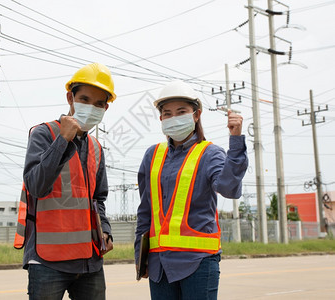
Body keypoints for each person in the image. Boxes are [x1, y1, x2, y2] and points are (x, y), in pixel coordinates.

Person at [134, 80, 248, 300]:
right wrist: (142, 257)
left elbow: (229, 189)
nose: (174, 118)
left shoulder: (210, 154)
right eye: (167, 113)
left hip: (197, 263)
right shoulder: (152, 155)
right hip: (160, 265)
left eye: (181, 112)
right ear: (161, 119)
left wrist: (235, 140)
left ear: (196, 115)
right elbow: (145, 211)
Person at [14, 62, 115, 300]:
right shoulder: (43, 134)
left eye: (99, 104)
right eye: (85, 99)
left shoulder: (96, 148)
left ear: (105, 108)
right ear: (70, 98)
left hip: (89, 260)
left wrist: (106, 230)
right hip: (48, 260)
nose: (91, 108)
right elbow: (36, 186)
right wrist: (63, 140)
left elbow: (98, 198)